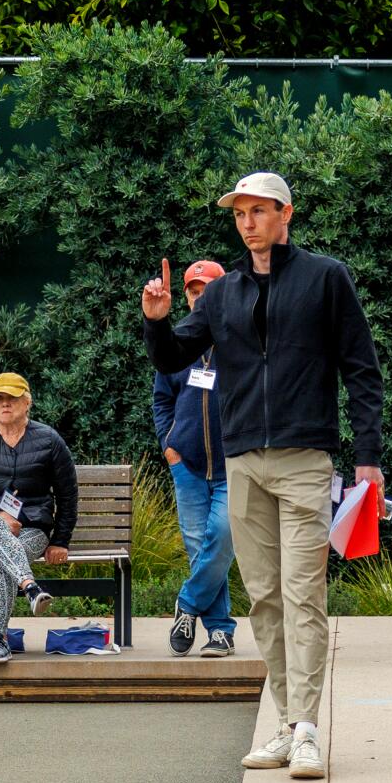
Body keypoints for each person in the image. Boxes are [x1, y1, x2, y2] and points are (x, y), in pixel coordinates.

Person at [142, 171, 385, 780]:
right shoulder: (222, 295)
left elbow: (362, 370)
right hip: (242, 461)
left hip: (306, 460)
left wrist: (368, 457)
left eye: (258, 211)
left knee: (305, 594)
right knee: (266, 599)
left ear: (286, 214)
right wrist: (157, 320)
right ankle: (284, 720)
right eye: (239, 213)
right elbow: (174, 356)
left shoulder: (326, 278)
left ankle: (306, 729)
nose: (247, 222)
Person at [0, 372, 79, 665]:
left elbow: (67, 495)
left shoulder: (49, 440)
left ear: (27, 402)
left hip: (31, 530)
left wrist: (60, 540)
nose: (4, 403)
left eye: (11, 397)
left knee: (1, 554)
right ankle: (29, 587)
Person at [152, 259, 238, 657]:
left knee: (221, 538)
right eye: (192, 290)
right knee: (197, 545)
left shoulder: (239, 342)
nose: (198, 296)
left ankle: (186, 604)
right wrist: (169, 446)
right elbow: (161, 401)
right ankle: (219, 630)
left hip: (232, 466)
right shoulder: (179, 345)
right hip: (186, 464)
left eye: (207, 290)